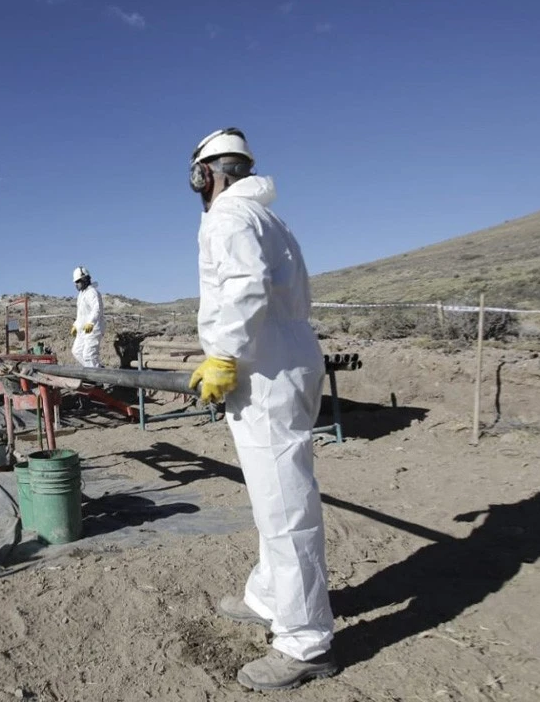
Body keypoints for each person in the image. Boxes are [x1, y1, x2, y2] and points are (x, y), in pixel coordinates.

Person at [186, 128, 336, 691]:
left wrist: (222, 355)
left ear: (206, 174)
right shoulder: (269, 218)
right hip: (285, 353)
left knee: (285, 505)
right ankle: (268, 594)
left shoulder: (228, 217)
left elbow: (244, 287)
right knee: (273, 494)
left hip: (264, 366)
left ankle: (304, 642)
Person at [70, 266, 105, 368]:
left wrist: (91, 322)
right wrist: (75, 326)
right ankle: (96, 371)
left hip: (94, 328)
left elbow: (96, 309)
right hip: (83, 329)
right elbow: (81, 314)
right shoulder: (81, 295)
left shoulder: (92, 292)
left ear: (85, 279)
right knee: (76, 351)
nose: (76, 284)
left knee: (89, 355)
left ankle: (101, 379)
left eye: (78, 281)